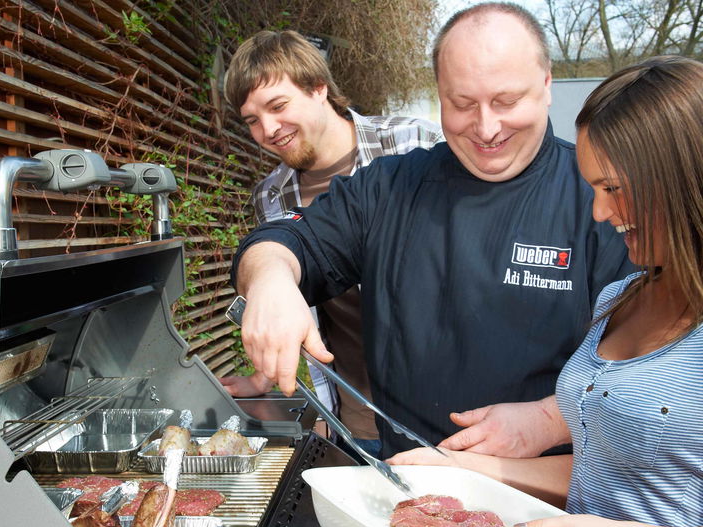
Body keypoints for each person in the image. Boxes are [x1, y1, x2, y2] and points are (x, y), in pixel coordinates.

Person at [229, 2, 633, 462]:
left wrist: (548, 418)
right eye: (461, 104)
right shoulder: (387, 187)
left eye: (506, 101)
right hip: (408, 484)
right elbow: (283, 241)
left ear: (546, 86)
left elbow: (656, 374)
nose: (486, 128)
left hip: (558, 499)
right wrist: (271, 279)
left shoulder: (599, 199)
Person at [389, 54, 703, 527]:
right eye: (592, 190)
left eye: (615, 188)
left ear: (683, 178)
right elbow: (604, 478)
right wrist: (459, 469)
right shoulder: (619, 299)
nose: (600, 214)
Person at [219, 30, 443, 458]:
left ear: (319, 87)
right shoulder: (271, 196)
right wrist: (262, 379)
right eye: (251, 119)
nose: (267, 129)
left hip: (440, 418)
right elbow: (288, 298)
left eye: (278, 106)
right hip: (355, 420)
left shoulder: (414, 143)